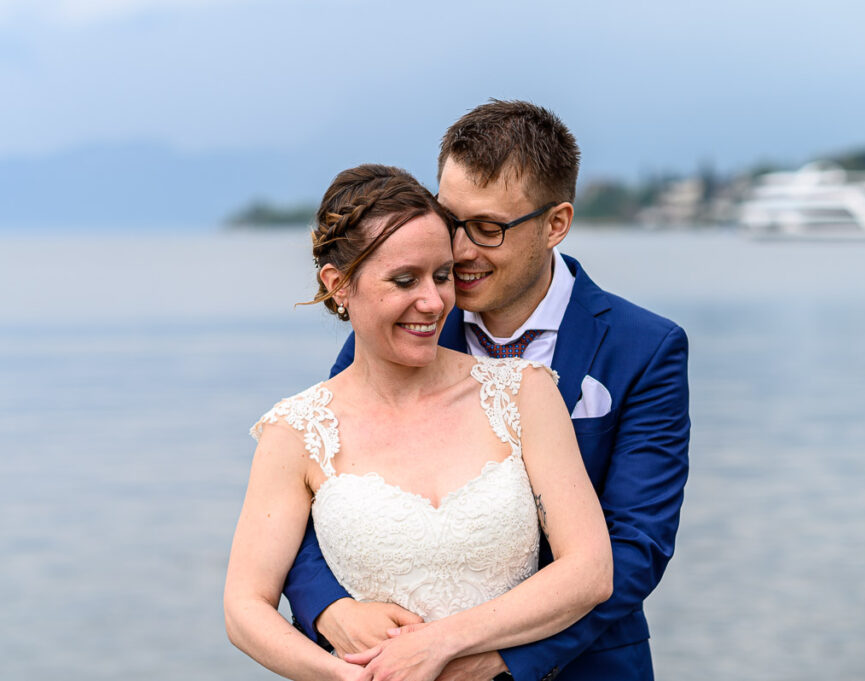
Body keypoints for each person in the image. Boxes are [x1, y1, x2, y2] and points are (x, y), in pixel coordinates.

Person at [283, 101, 691, 681]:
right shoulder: (399, 326)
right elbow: (320, 485)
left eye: (489, 228)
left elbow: (635, 546)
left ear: (556, 223)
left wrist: (495, 656)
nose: (460, 251)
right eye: (451, 220)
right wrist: (331, 608)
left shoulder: (644, 348)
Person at [224, 164, 614, 681]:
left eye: (443, 275)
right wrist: (340, 676)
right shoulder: (296, 430)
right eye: (404, 280)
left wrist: (437, 644)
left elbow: (589, 571)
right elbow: (245, 607)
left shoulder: (523, 391)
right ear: (339, 285)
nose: (433, 303)